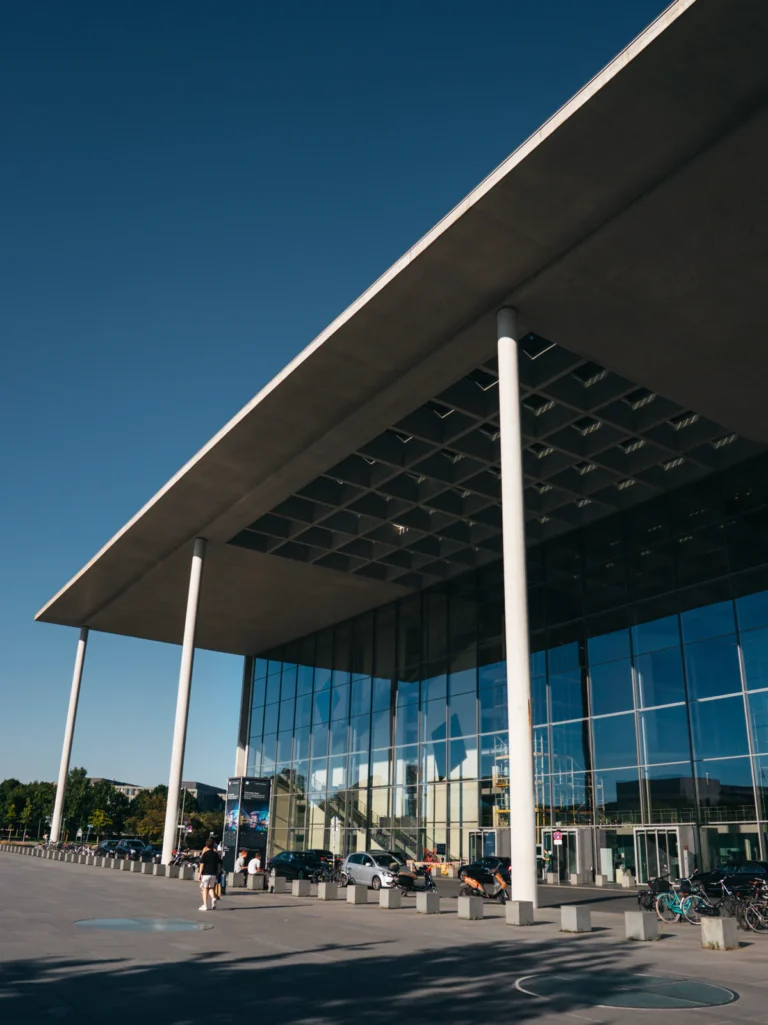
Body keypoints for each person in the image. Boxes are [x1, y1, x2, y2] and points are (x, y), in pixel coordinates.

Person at [197, 839, 221, 912]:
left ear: (206, 846)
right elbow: (218, 865)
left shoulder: (205, 854)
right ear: (213, 845)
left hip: (205, 874)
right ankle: (213, 898)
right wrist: (218, 873)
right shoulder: (216, 854)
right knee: (211, 887)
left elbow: (202, 865)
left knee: (205, 889)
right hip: (213, 874)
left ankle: (205, 905)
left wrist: (199, 874)